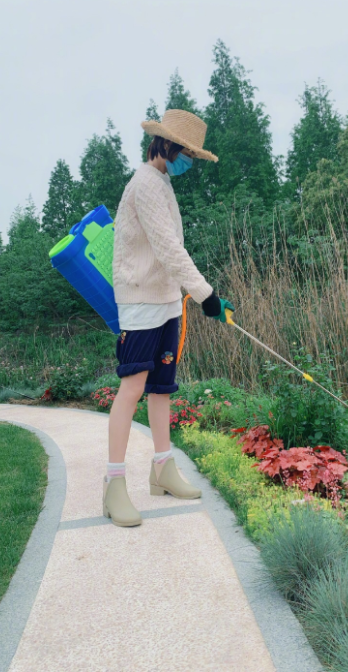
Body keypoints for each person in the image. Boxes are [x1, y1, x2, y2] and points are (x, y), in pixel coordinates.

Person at [103, 109, 234, 527]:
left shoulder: (161, 182)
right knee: (133, 387)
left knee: (162, 387)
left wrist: (189, 295)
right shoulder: (144, 183)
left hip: (165, 300)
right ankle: (114, 484)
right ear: (167, 146)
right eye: (187, 154)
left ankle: (162, 468)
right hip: (140, 301)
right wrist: (207, 296)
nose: (188, 162)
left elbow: (171, 251)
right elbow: (167, 248)